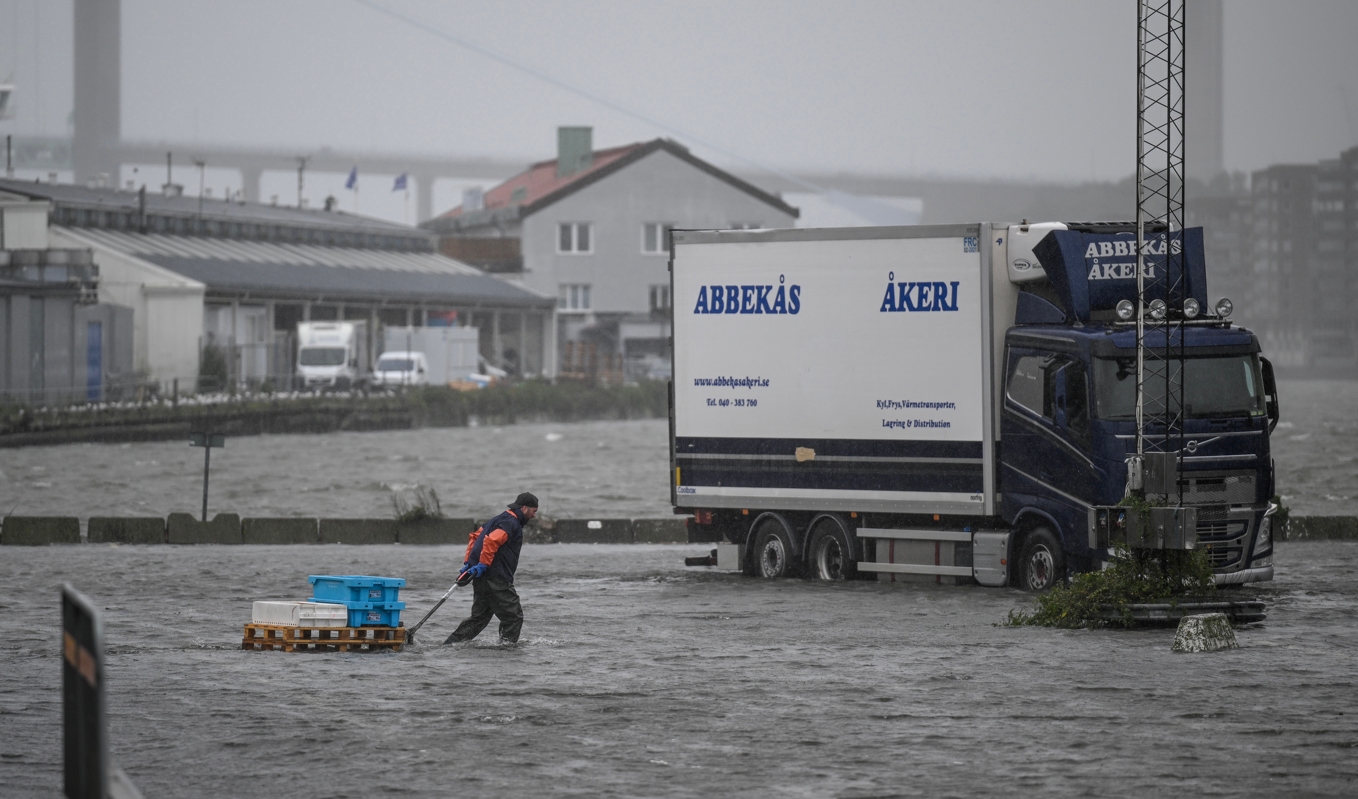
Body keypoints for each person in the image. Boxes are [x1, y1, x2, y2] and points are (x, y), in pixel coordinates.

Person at [445, 492, 538, 645]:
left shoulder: (497, 519)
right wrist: (483, 564)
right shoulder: (511, 523)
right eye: (534, 511)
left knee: (479, 619)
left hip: (481, 577)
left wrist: (469, 563)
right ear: (524, 508)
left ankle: (449, 646)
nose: (534, 515)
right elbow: (491, 541)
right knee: (513, 617)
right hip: (497, 578)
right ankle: (506, 649)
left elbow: (475, 537)